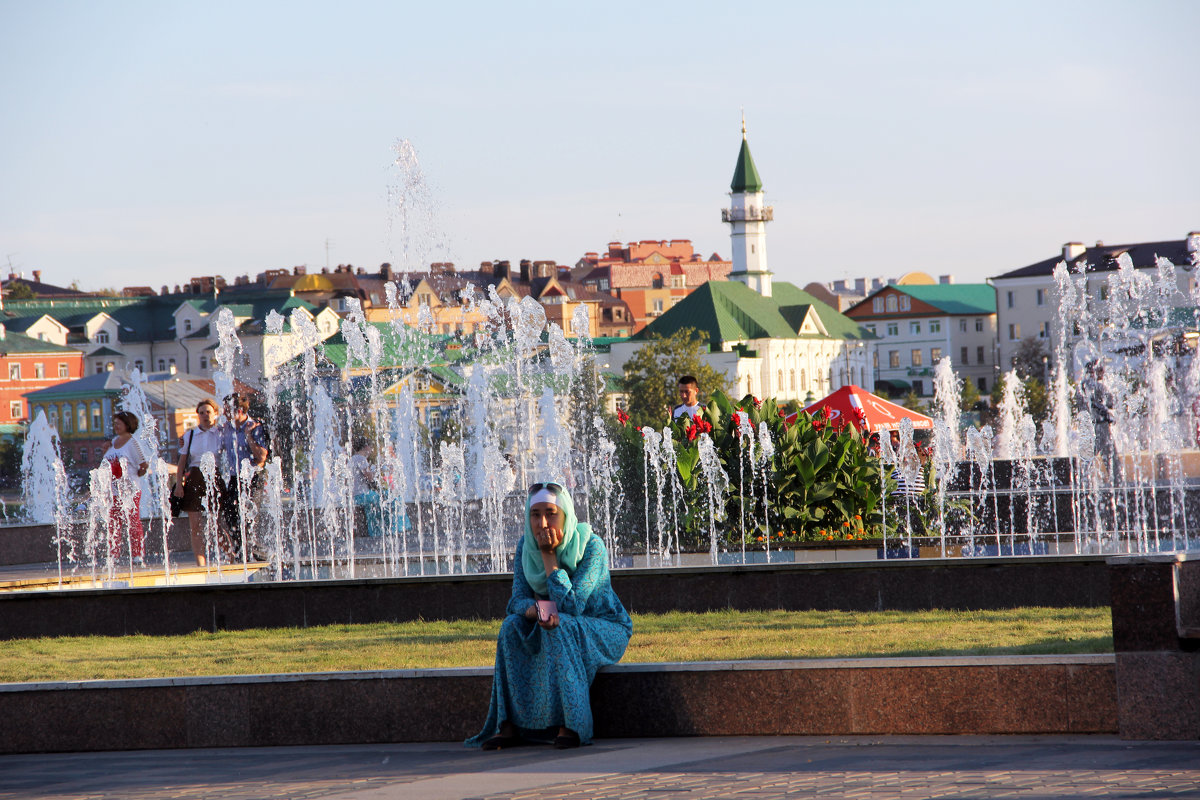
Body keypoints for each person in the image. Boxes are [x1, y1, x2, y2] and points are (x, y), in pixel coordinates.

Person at [467, 482, 632, 751]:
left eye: (551, 513)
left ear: (565, 514)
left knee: (563, 625)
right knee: (511, 626)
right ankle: (508, 725)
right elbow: (517, 600)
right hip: (553, 620)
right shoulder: (525, 546)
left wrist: (549, 557)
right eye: (535, 514)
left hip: (604, 627)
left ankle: (572, 724)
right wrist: (533, 611)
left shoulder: (591, 546)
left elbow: (574, 606)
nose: (542, 523)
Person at [217, 393, 269, 560]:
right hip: (234, 477)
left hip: (253, 477)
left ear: (238, 410)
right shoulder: (226, 428)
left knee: (248, 516)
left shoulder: (255, 427)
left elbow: (261, 457)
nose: (224, 413)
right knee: (230, 515)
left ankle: (256, 553)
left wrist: (248, 435)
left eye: (227, 410)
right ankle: (244, 551)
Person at [173, 398, 223, 566]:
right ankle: (200, 563)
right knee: (196, 525)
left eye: (208, 412)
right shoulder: (190, 434)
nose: (204, 415)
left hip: (215, 478)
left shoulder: (221, 433)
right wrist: (179, 484)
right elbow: (182, 462)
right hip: (195, 477)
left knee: (217, 524)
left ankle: (230, 557)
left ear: (215, 413)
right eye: (201, 413)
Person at [103, 410, 149, 565]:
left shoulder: (132, 442)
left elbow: (143, 464)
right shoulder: (113, 441)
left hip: (130, 489)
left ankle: (137, 554)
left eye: (119, 423)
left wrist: (135, 475)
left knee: (132, 520)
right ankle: (114, 554)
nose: (116, 426)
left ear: (127, 424)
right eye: (114, 423)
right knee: (113, 522)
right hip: (113, 490)